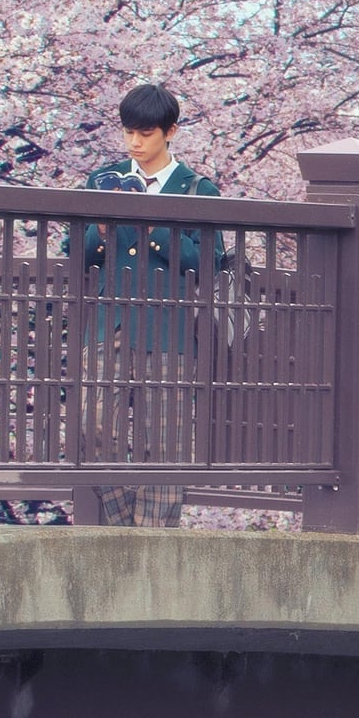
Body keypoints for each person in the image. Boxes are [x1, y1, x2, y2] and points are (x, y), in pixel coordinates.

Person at [79, 83, 222, 527]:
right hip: (110, 323)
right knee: (91, 427)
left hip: (169, 330)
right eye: (128, 133)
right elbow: (78, 253)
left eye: (144, 133)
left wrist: (153, 221)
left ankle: (153, 542)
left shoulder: (198, 189)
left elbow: (208, 261)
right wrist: (102, 227)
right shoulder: (104, 181)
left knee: (166, 443)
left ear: (170, 131)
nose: (135, 144)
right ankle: (127, 530)